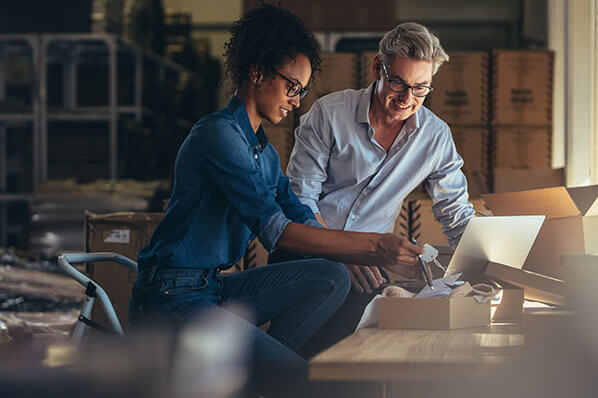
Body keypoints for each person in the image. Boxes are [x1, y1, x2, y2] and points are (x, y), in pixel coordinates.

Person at [128, 5, 423, 397]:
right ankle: (271, 378)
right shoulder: (218, 136)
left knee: (331, 275)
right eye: (292, 87)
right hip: (170, 298)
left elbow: (297, 210)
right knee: (301, 379)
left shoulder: (262, 152)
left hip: (212, 290)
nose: (297, 101)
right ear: (257, 72)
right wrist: (374, 246)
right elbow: (278, 233)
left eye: (301, 90)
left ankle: (260, 380)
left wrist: (351, 257)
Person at [281, 22, 476, 358]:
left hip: (368, 270)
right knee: (301, 363)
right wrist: (342, 251)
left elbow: (456, 215)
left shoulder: (435, 136)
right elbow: (299, 200)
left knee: (370, 359)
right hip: (306, 256)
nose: (407, 98)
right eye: (398, 82)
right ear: (377, 68)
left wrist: (487, 262)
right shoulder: (328, 115)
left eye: (420, 88)